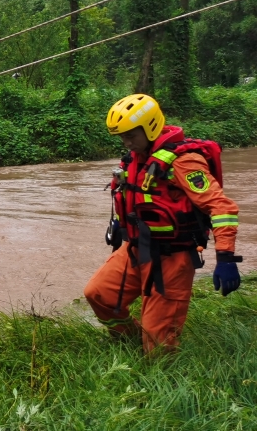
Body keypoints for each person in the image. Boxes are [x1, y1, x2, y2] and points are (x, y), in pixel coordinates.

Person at [84, 94, 242, 353]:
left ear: (150, 127)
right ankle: (130, 341)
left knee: (159, 342)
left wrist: (225, 258)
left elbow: (221, 207)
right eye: (122, 137)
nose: (126, 143)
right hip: (136, 249)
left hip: (172, 257)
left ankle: (159, 366)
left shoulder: (184, 161)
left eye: (130, 136)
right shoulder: (137, 156)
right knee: (99, 295)